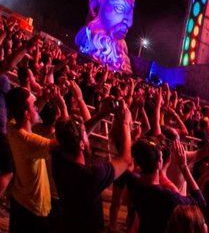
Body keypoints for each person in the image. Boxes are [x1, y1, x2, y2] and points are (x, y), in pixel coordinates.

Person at [51, 100, 133, 233]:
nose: (87, 135)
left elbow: (75, 135)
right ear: (81, 145)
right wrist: (125, 123)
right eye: (85, 135)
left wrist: (102, 114)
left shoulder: (58, 156)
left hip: (67, 224)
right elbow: (126, 160)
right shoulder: (91, 176)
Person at [6, 85, 56, 232]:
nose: (37, 108)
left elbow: (27, 112)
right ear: (27, 114)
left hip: (19, 201)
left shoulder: (12, 127)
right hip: (34, 210)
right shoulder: (31, 142)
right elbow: (67, 142)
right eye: (34, 106)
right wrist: (62, 109)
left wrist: (44, 99)